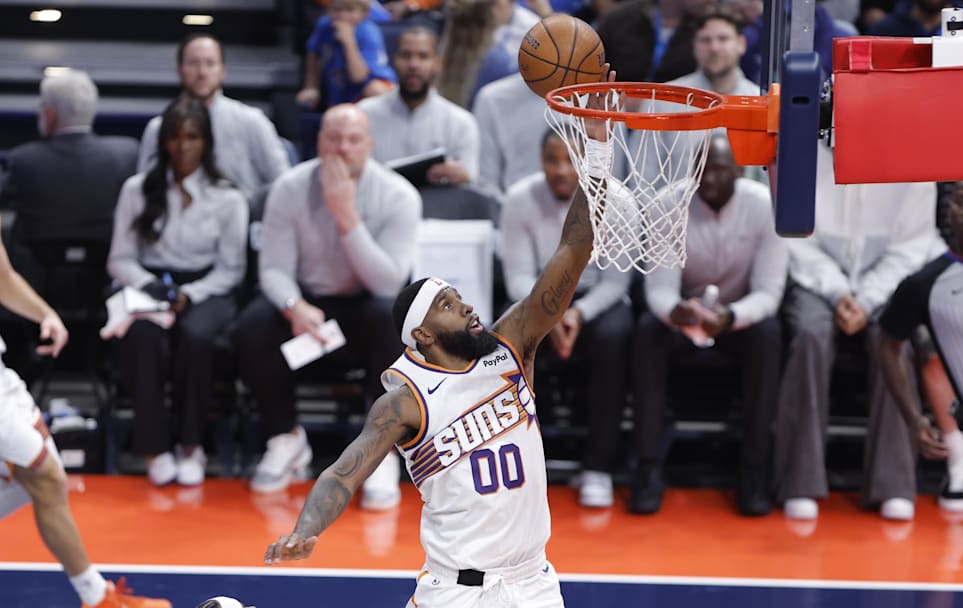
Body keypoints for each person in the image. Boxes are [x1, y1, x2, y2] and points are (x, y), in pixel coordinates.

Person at [264, 66, 615, 608]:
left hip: (534, 584)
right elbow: (343, 473)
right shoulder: (405, 400)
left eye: (460, 297)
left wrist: (597, 152)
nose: (468, 307)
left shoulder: (510, 347)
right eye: (448, 305)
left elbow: (572, 249)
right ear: (423, 334)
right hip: (456, 591)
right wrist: (307, 528)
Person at [0, 115, 169, 608]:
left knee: (29, 476)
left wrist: (45, 313)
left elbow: (3, 276)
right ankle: (97, 597)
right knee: (48, 477)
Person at [233, 104, 421, 509]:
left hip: (366, 306)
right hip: (309, 307)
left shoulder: (399, 195)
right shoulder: (289, 188)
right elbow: (274, 270)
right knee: (252, 324)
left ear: (369, 144)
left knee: (389, 316)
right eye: (334, 139)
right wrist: (294, 307)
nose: (343, 148)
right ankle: (285, 437)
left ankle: (382, 450)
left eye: (353, 140)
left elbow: (388, 281)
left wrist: (346, 215)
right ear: (319, 143)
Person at [774, 141, 938, 522]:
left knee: (894, 341)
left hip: (885, 281)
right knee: (810, 335)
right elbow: (793, 235)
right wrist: (838, 292)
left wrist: (866, 301)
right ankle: (799, 481)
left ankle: (894, 484)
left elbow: (911, 248)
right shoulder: (801, 151)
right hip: (816, 279)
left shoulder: (913, 161)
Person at [630, 134, 787, 517]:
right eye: (701, 170)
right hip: (684, 315)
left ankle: (754, 470)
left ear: (739, 171)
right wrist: (678, 312)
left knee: (768, 336)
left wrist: (731, 317)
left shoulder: (766, 206)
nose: (709, 179)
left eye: (718, 169)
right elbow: (659, 289)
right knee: (647, 332)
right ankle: (647, 468)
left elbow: (769, 293)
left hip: (737, 318)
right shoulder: (667, 204)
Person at [109, 97, 248, 487]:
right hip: (148, 283)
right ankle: (153, 447)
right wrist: (150, 287)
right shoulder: (137, 190)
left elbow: (232, 269)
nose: (183, 146)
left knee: (197, 336)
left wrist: (190, 294)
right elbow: (119, 258)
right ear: (163, 142)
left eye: (192, 137)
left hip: (208, 286)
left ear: (206, 142)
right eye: (175, 137)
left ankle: (192, 444)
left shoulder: (228, 196)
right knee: (143, 335)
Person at [501, 129, 632, 508]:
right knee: (508, 336)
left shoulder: (619, 201)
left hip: (594, 301)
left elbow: (616, 283)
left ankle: (598, 467)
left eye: (570, 160)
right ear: (540, 161)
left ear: (586, 162)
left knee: (614, 335)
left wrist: (576, 313)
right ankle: (519, 464)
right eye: (551, 160)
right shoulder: (519, 199)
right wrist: (550, 313)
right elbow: (517, 278)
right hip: (536, 298)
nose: (561, 170)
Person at [877, 180, 963, 514]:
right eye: (960, 202)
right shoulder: (925, 284)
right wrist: (914, 419)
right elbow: (888, 344)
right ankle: (960, 464)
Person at [139, 34, 290, 212]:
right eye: (193, 63)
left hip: (243, 220)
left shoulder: (252, 121)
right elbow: (145, 190)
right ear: (179, 71)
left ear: (222, 71)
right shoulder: (158, 128)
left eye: (210, 63)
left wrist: (247, 210)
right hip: (174, 221)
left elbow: (284, 183)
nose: (202, 72)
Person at [0, 69, 138, 252]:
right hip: (106, 262)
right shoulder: (127, 154)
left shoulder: (23, 160)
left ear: (51, 114)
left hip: (35, 265)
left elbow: (4, 204)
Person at [358, 25, 481, 187]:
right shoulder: (364, 115)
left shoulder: (461, 123)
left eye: (423, 56)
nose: (413, 65)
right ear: (393, 60)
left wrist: (462, 177)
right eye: (406, 55)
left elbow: (471, 182)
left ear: (437, 63)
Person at [296, 0, 397, 109]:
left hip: (369, 89)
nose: (342, 16)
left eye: (350, 10)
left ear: (364, 13)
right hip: (340, 92)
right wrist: (311, 86)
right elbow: (313, 53)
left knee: (374, 89)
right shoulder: (325, 25)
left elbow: (358, 77)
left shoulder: (369, 32)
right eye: (337, 10)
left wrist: (348, 42)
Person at [472, 72, 548, 195]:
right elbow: (485, 183)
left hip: (578, 204)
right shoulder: (492, 99)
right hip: (511, 203)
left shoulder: (582, 98)